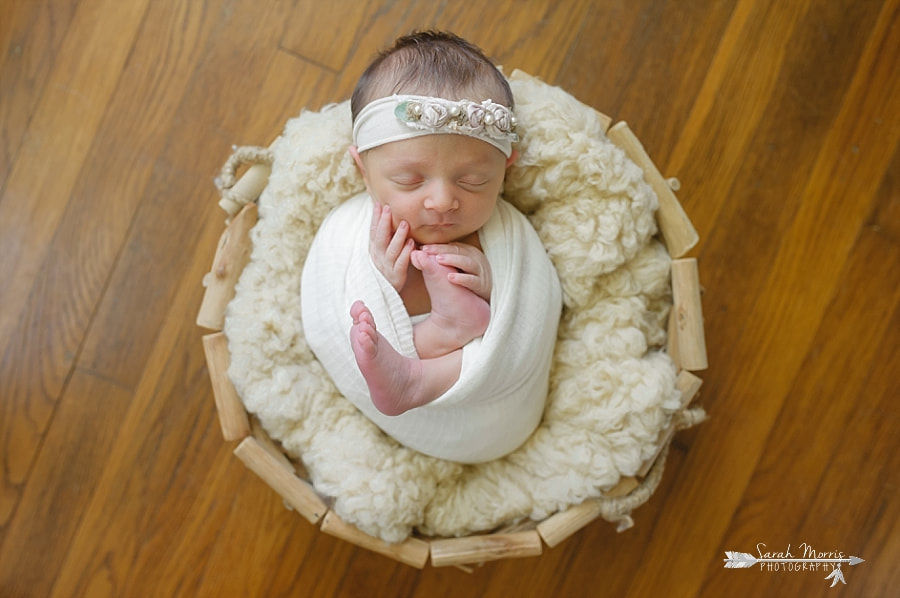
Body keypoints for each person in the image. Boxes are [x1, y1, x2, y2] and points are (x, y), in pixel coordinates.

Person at [300, 30, 562, 462]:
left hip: (498, 411)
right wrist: (383, 282)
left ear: (505, 170)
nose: (442, 201)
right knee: (368, 334)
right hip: (418, 404)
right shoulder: (352, 231)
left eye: (473, 181)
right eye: (409, 180)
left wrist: (490, 283)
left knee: (488, 326)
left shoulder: (507, 233)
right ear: (363, 170)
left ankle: (429, 366)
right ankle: (430, 351)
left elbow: (533, 310)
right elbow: (336, 305)